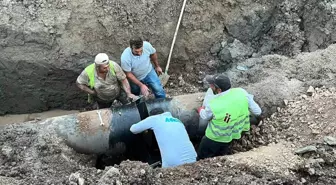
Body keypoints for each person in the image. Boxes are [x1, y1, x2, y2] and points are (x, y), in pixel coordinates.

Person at [197, 74, 263, 160]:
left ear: (219, 90)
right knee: (220, 157)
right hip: (233, 134)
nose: (210, 87)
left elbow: (205, 116)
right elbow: (258, 111)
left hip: (214, 137)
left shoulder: (214, 104)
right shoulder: (241, 92)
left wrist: (200, 110)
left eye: (212, 85)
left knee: (202, 158)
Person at [130, 108, 197, 168]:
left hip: (173, 163)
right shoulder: (177, 121)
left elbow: (133, 129)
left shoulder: (155, 118)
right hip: (193, 158)